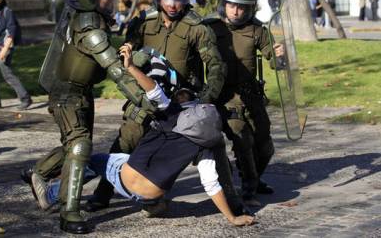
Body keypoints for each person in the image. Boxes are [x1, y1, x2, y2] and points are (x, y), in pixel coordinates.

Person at [30, 46, 255, 227]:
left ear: (184, 102)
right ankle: (152, 204)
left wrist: (130, 67)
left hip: (126, 178)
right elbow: (210, 183)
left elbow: (153, 90)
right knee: (156, 187)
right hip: (152, 192)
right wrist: (232, 218)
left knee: (91, 161)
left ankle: (50, 194)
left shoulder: (174, 114)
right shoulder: (209, 140)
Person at [86, 0, 242, 215]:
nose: (172, 4)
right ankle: (103, 193)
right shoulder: (143, 23)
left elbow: (215, 67)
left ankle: (231, 198)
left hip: (183, 102)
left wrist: (204, 101)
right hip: (148, 94)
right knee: (126, 137)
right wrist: (136, 88)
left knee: (214, 142)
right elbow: (128, 57)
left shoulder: (196, 28)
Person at [25, 0, 157, 234]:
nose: (110, 1)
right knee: (80, 146)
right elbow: (114, 70)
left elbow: (111, 60)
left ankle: (38, 171)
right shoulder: (88, 26)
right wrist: (146, 99)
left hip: (81, 92)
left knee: (76, 144)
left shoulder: (95, 20)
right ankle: (69, 212)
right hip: (67, 94)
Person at [204, 0, 284, 206]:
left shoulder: (257, 29)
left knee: (265, 145)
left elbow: (275, 60)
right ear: (224, 5)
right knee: (243, 140)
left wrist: (280, 55)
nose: (236, 11)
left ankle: (255, 180)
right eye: (231, 6)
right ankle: (248, 188)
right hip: (225, 98)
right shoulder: (210, 28)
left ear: (249, 8)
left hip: (252, 96)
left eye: (241, 7)